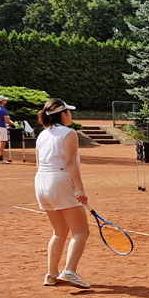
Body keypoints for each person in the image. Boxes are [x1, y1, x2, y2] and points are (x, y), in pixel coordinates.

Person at [34, 99, 90, 288]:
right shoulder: (69, 133)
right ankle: (69, 271)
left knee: (59, 231)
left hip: (41, 182)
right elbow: (71, 163)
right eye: (69, 112)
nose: (71, 115)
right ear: (63, 114)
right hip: (59, 180)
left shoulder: (42, 134)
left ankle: (51, 275)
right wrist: (79, 189)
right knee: (81, 231)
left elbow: (38, 163)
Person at [0, 95, 15, 163]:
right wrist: (13, 124)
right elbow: (7, 121)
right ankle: (1, 159)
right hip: (1, 127)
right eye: (5, 100)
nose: (6, 101)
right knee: (2, 143)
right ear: (2, 101)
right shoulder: (3, 110)